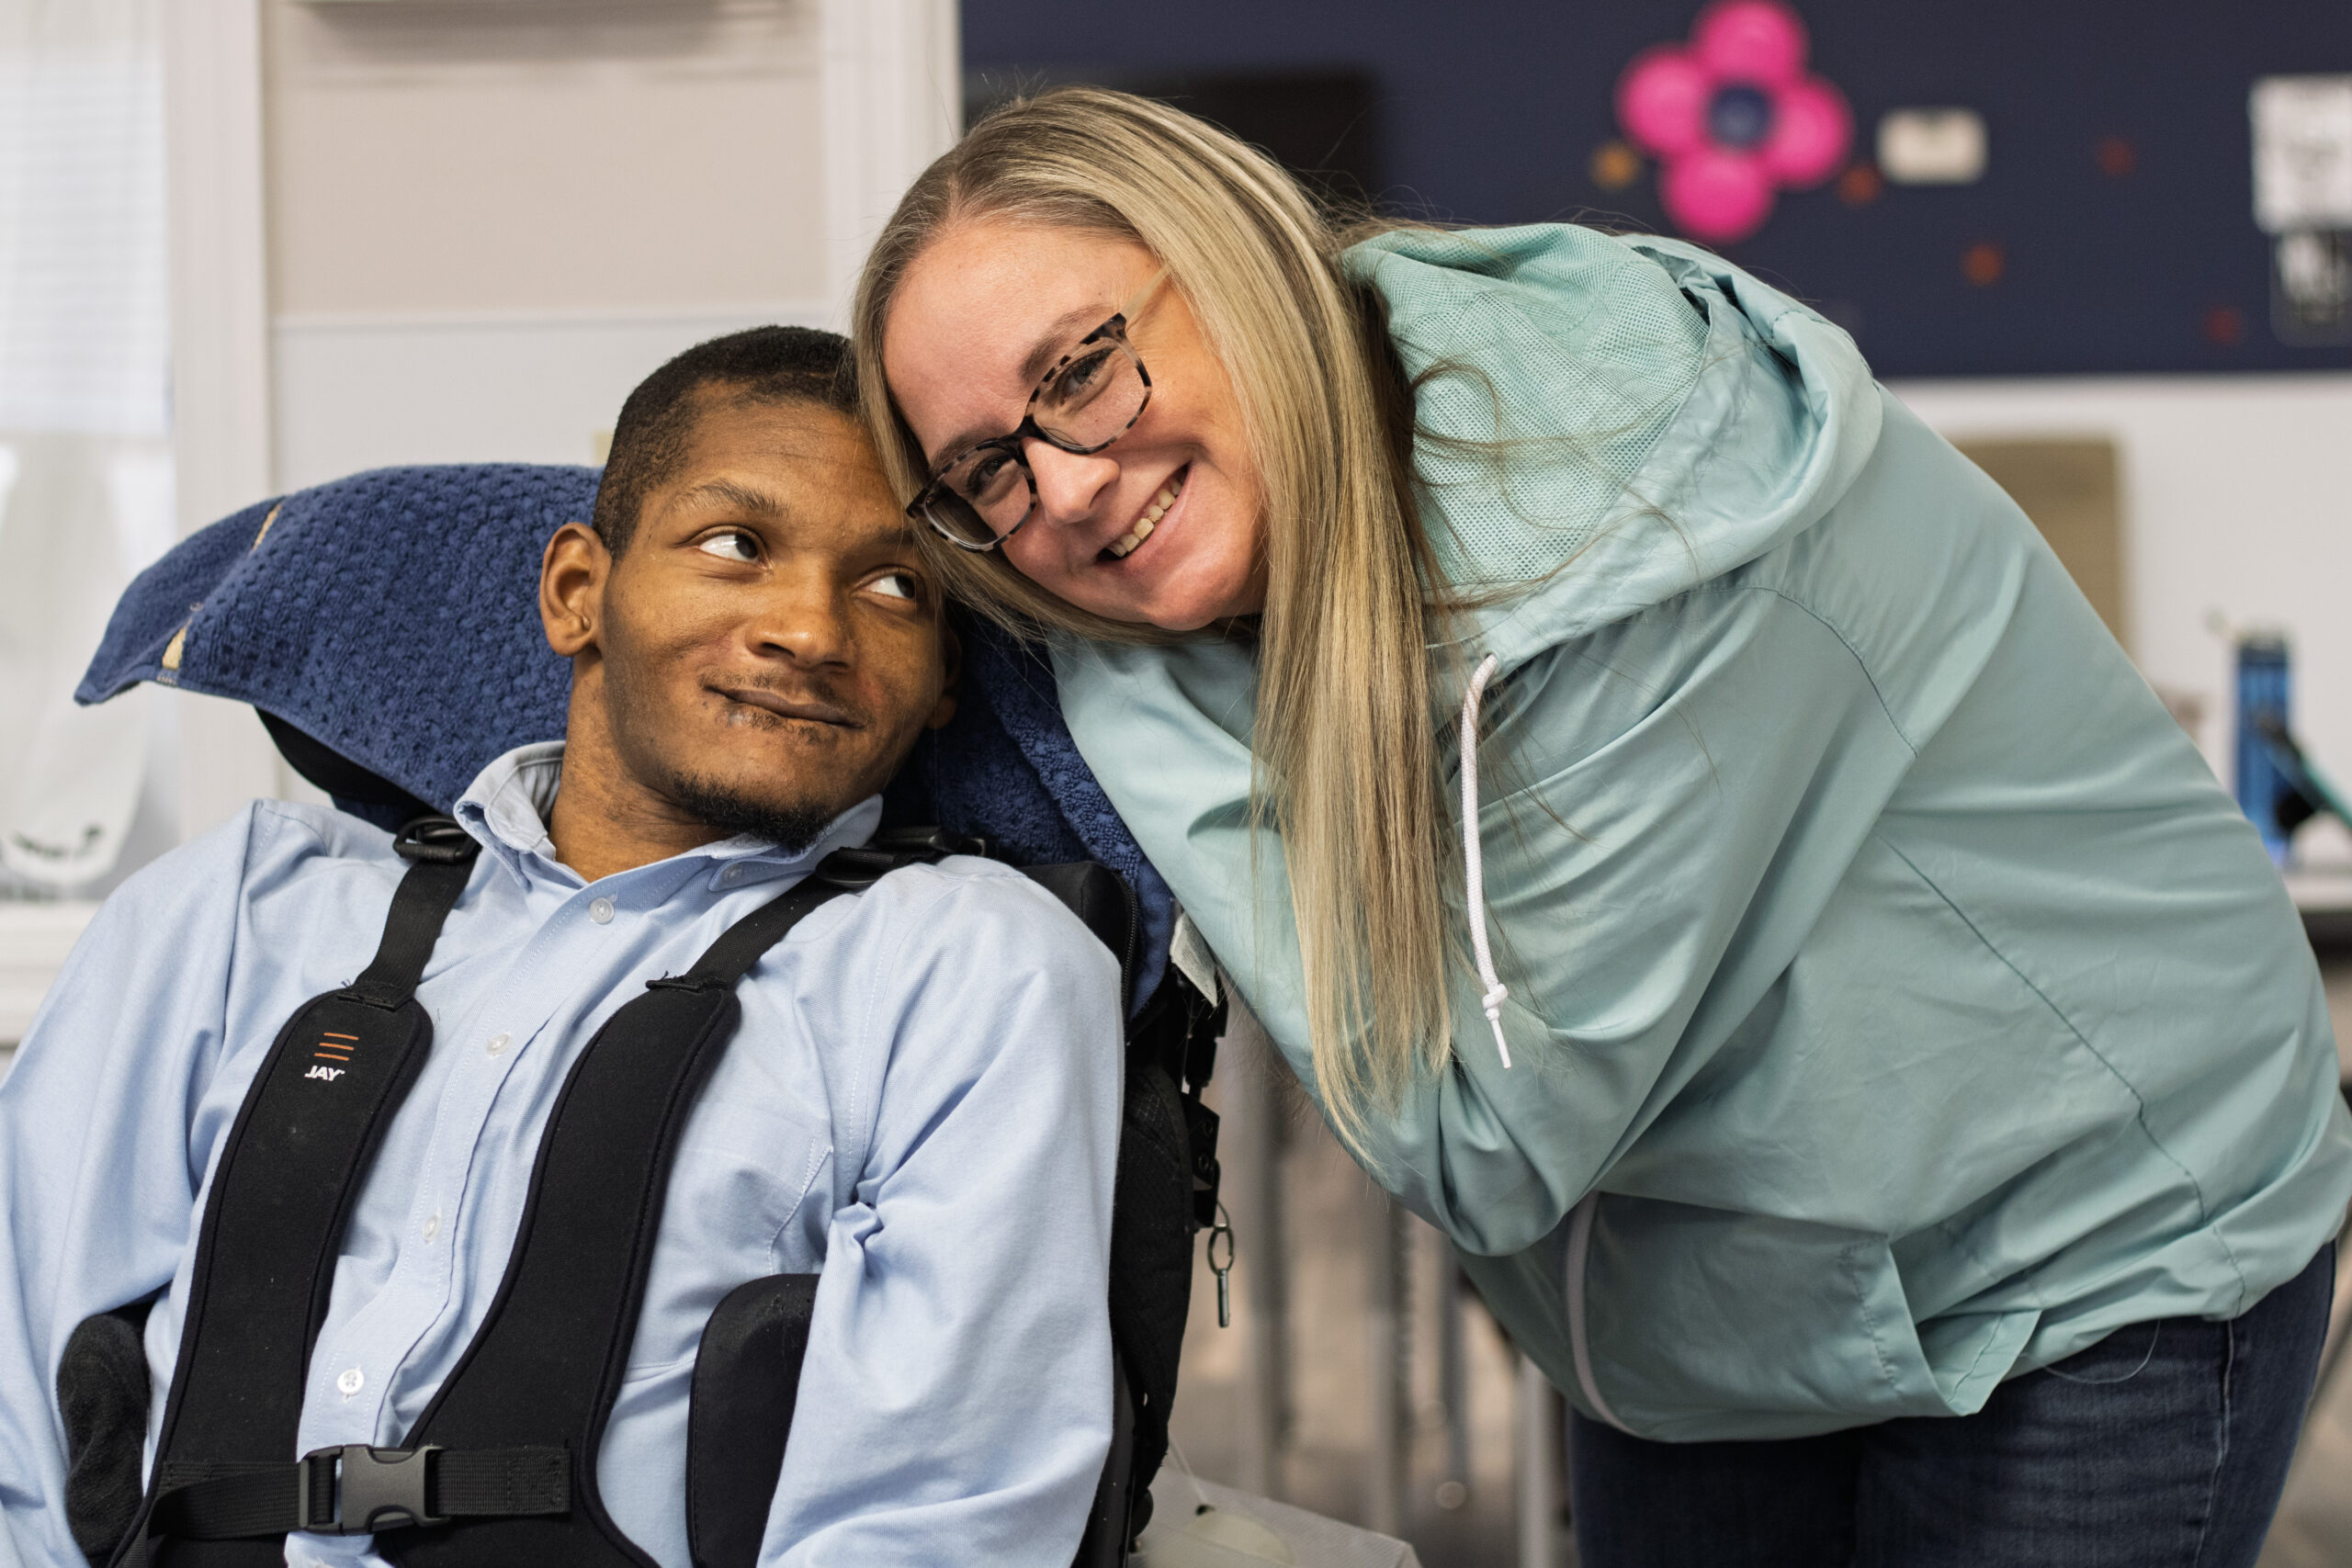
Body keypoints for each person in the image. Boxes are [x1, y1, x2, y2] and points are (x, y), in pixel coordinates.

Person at [854, 86, 2352, 1566]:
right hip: (1709, 1302)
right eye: (985, 469)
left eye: (1083, 372)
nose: (1061, 486)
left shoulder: (1625, 530)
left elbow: (1482, 1137)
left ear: (1236, 257)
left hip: (2090, 1239)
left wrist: (1109, 681)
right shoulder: (1270, 540)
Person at [0, 327, 1125, 1568]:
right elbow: (14, 1397)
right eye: (736, 546)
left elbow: (937, 1515)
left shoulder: (969, 967)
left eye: (896, 585)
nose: (810, 629)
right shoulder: (238, 913)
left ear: (943, 681)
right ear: (577, 592)